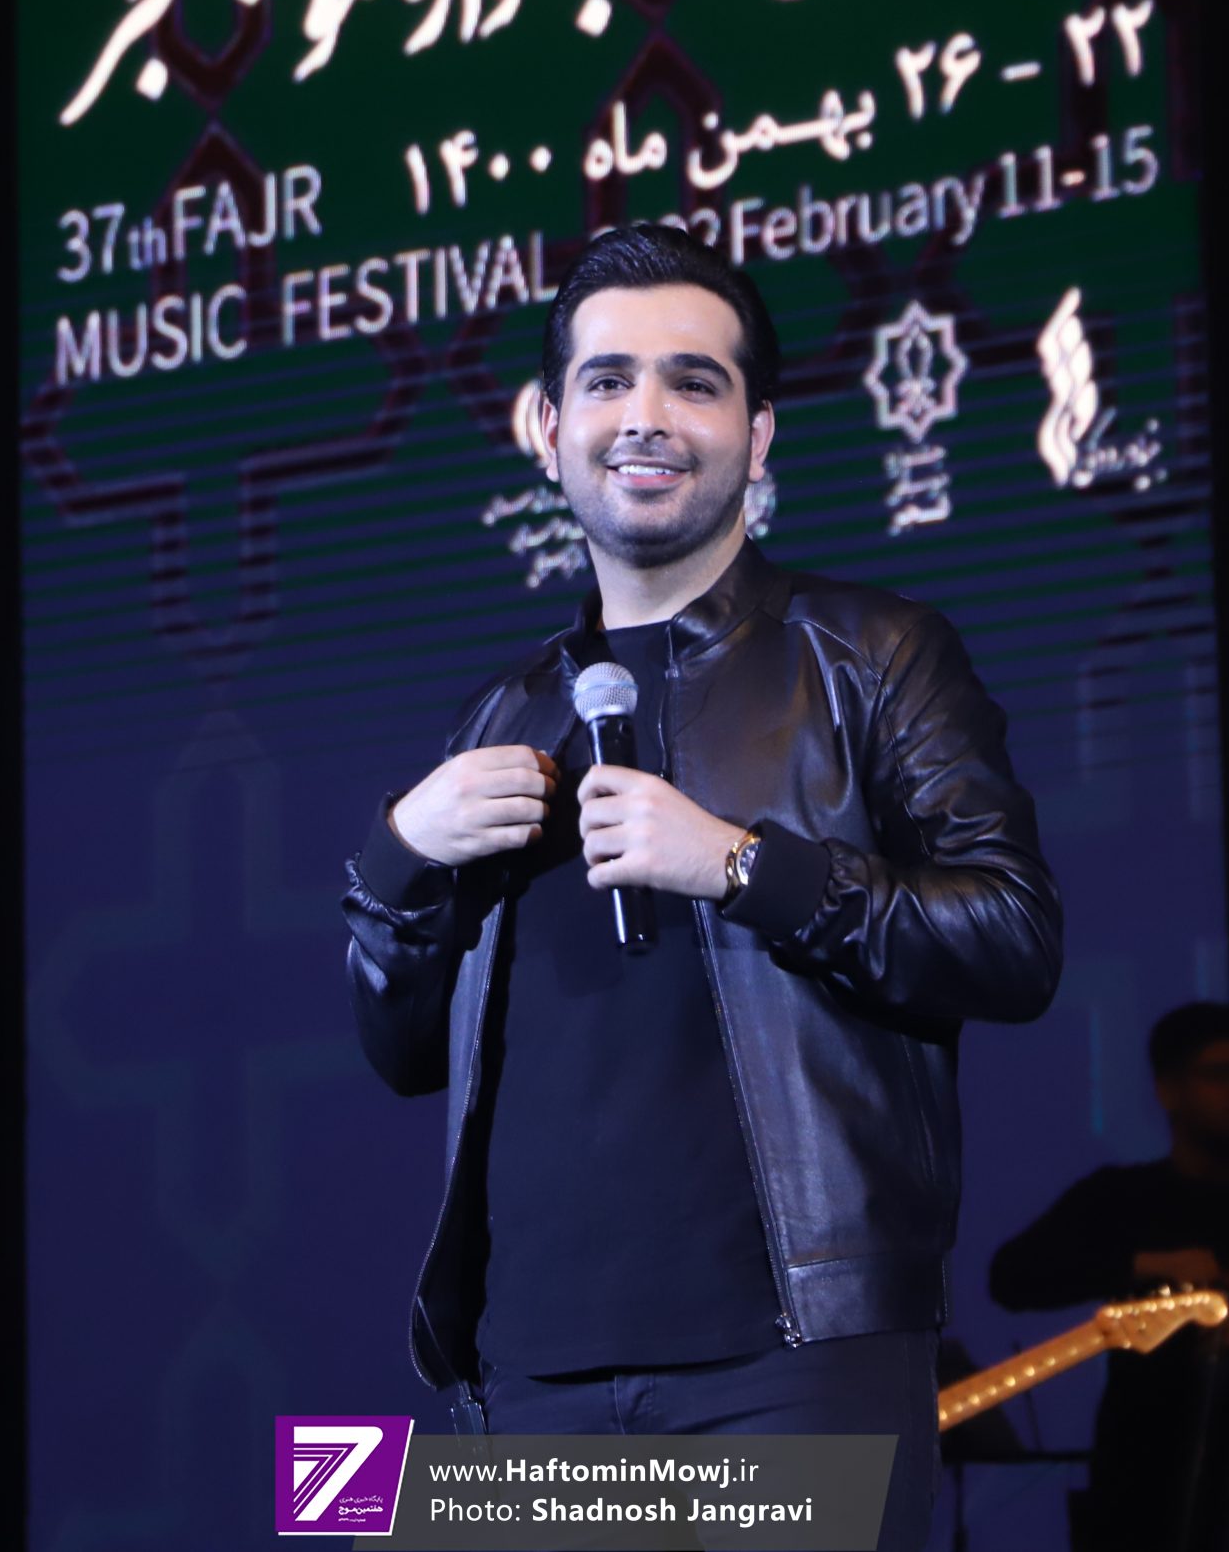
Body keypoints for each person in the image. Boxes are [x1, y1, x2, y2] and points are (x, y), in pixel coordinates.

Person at [341, 223, 1064, 1552]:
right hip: (529, 1377)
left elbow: (1011, 938)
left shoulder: (871, 655)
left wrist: (740, 864)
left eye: (694, 380)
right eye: (607, 380)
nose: (647, 415)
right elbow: (401, 1051)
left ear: (759, 433)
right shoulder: (502, 713)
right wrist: (395, 855)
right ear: (546, 427)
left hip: (790, 1369)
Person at [987, 1002, 1229, 1552]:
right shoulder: (1123, 1197)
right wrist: (1148, 1263)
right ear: (1168, 1091)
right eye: (1220, 1075)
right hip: (1142, 1486)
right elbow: (1012, 1276)